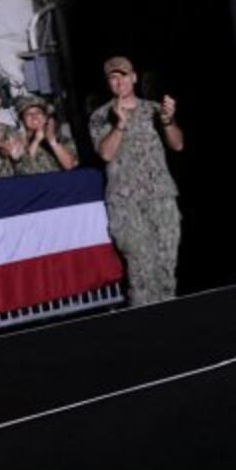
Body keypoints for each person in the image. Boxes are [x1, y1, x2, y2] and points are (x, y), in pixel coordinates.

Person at [88, 56, 184, 305]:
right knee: (140, 271)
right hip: (126, 205)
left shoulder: (154, 110)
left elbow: (178, 144)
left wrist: (168, 120)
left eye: (123, 75)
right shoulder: (101, 116)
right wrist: (119, 125)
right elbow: (106, 154)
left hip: (160, 197)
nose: (119, 81)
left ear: (134, 77)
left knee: (166, 268)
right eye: (113, 77)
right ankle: (145, 330)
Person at [14, 95, 79, 175]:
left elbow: (71, 166)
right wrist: (36, 141)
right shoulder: (18, 141)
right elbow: (24, 169)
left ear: (45, 117)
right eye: (28, 114)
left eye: (38, 112)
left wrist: (52, 141)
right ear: (22, 120)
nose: (34, 116)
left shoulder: (63, 140)